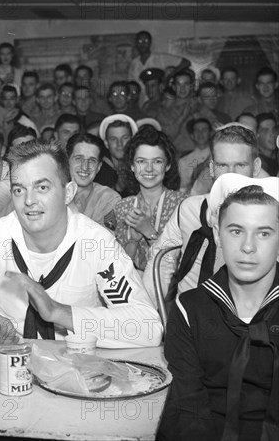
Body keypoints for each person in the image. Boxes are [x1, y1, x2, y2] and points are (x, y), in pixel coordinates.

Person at [0, 139, 163, 347]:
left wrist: (59, 313)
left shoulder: (95, 243)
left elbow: (148, 326)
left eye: (42, 188)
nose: (29, 200)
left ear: (68, 193)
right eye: (19, 190)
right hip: (6, 363)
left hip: (76, 365)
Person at [158, 180, 279, 441]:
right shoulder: (191, 310)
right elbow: (187, 410)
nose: (248, 246)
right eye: (236, 231)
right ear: (216, 234)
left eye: (264, 233)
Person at [143, 123, 264, 301]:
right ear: (212, 168)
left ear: (256, 167)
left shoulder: (270, 216)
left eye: (240, 165)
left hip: (248, 319)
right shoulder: (189, 209)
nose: (230, 175)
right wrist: (150, 315)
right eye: (223, 165)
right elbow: (159, 263)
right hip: (188, 319)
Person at [113, 126, 187, 271]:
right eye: (141, 161)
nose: (149, 168)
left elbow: (181, 262)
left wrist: (148, 231)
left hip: (171, 290)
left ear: (168, 165)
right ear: (132, 166)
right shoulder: (122, 207)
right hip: (132, 290)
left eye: (157, 161)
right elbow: (119, 268)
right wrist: (133, 241)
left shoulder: (183, 205)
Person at [66, 133, 120, 229]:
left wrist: (74, 211)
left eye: (92, 161)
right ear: (67, 161)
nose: (85, 167)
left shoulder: (108, 198)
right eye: (79, 159)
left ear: (99, 167)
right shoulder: (52, 193)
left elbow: (104, 240)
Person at [128, 31, 191, 103]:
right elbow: (131, 84)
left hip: (161, 101)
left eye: (146, 40)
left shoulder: (160, 57)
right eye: (140, 41)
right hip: (141, 102)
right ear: (136, 43)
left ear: (150, 42)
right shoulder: (134, 63)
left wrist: (169, 77)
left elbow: (186, 62)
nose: (143, 44)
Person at [158, 69, 200, 156]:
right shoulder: (165, 111)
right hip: (175, 156)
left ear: (192, 86)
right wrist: (183, 116)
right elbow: (167, 136)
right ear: (174, 87)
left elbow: (210, 132)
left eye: (186, 84)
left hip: (198, 156)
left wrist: (196, 114)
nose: (182, 88)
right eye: (179, 84)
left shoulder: (200, 107)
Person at [97, 114, 139, 196]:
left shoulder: (142, 165)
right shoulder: (98, 170)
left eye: (125, 138)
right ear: (106, 143)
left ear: (132, 140)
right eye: (113, 139)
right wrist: (118, 188)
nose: (119, 144)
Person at [178, 118, 212, 192]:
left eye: (204, 130)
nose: (200, 133)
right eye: (197, 130)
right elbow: (182, 189)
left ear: (210, 133)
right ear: (192, 135)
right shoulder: (183, 161)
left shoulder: (218, 156)